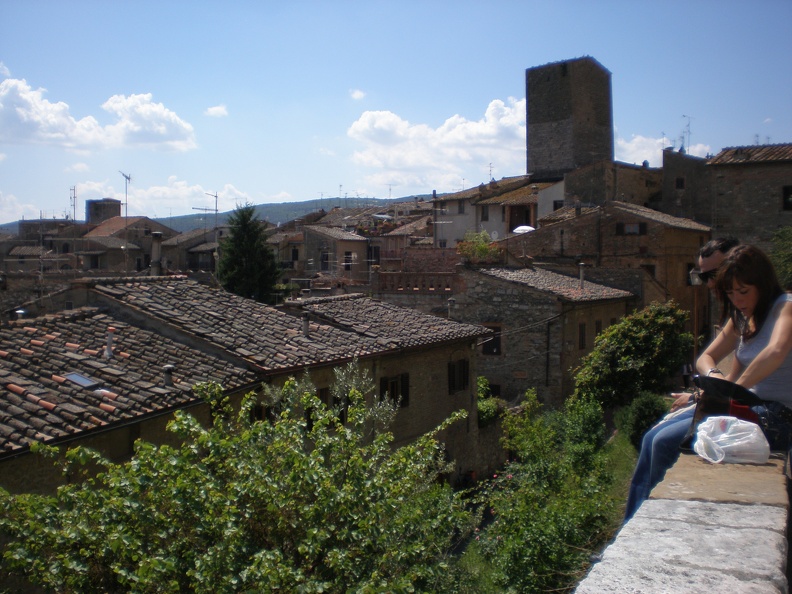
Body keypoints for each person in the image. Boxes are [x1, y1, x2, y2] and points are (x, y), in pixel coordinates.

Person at [624, 237, 739, 520]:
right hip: (720, 396)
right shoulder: (740, 313)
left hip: (739, 406)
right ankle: (633, 522)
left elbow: (745, 374)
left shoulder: (758, 311)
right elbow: (705, 358)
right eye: (703, 276)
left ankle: (646, 522)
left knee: (662, 442)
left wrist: (708, 390)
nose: (709, 284)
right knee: (651, 436)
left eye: (713, 275)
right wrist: (710, 382)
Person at [697, 245, 792, 450]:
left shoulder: (786, 306)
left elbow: (776, 351)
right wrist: (716, 379)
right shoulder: (741, 318)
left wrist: (734, 391)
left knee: (668, 441)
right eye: (730, 293)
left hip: (778, 416)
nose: (737, 300)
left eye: (743, 291)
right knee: (656, 438)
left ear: (763, 285)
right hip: (748, 409)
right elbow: (705, 358)